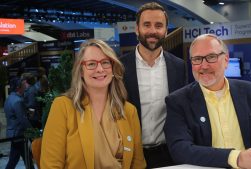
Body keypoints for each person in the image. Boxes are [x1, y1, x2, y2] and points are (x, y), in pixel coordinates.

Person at [164, 34, 251, 169]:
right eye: (197, 59)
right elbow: (180, 149)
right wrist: (236, 158)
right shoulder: (178, 101)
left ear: (226, 60)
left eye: (211, 57)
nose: (203, 66)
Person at [40, 39, 146, 169]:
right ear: (81, 71)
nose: (100, 69)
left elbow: (138, 164)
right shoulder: (63, 107)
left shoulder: (129, 111)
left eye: (105, 62)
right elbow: (50, 165)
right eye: (91, 64)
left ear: (113, 68)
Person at [120, 2, 187, 168]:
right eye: (146, 25)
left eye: (159, 25)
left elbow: (183, 111)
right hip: (130, 154)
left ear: (165, 30)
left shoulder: (179, 66)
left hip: (169, 153)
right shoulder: (119, 67)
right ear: (137, 29)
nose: (152, 31)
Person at [4, 77, 34, 169]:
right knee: (27, 158)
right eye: (23, 84)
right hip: (18, 134)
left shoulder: (9, 98)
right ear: (18, 87)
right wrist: (33, 132)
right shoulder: (18, 101)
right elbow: (23, 120)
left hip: (13, 133)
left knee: (14, 159)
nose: (25, 85)